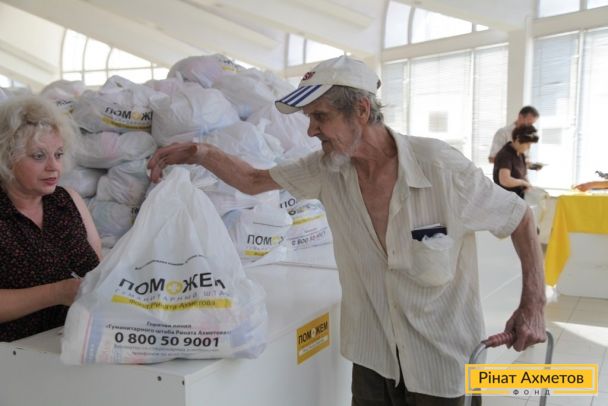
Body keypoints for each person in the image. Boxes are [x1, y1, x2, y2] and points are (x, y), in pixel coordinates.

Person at [148, 56, 546, 405]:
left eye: (320, 117)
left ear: (361, 110)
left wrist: (533, 305)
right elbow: (253, 180)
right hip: (373, 361)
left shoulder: (440, 168)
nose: (311, 131)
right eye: (309, 118)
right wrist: (200, 152)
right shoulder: (326, 171)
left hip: (441, 365)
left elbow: (520, 218)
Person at [0, 96, 101, 342]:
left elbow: (97, 269)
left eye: (58, 154)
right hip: (14, 353)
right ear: (7, 157)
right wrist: (57, 293)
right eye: (39, 156)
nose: (54, 166)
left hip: (71, 344)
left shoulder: (68, 201)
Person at [492, 125, 539, 199]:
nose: (529, 147)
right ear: (518, 140)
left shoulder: (520, 154)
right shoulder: (505, 155)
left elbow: (523, 175)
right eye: (527, 144)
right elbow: (505, 180)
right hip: (505, 199)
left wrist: (527, 185)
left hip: (517, 198)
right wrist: (523, 182)